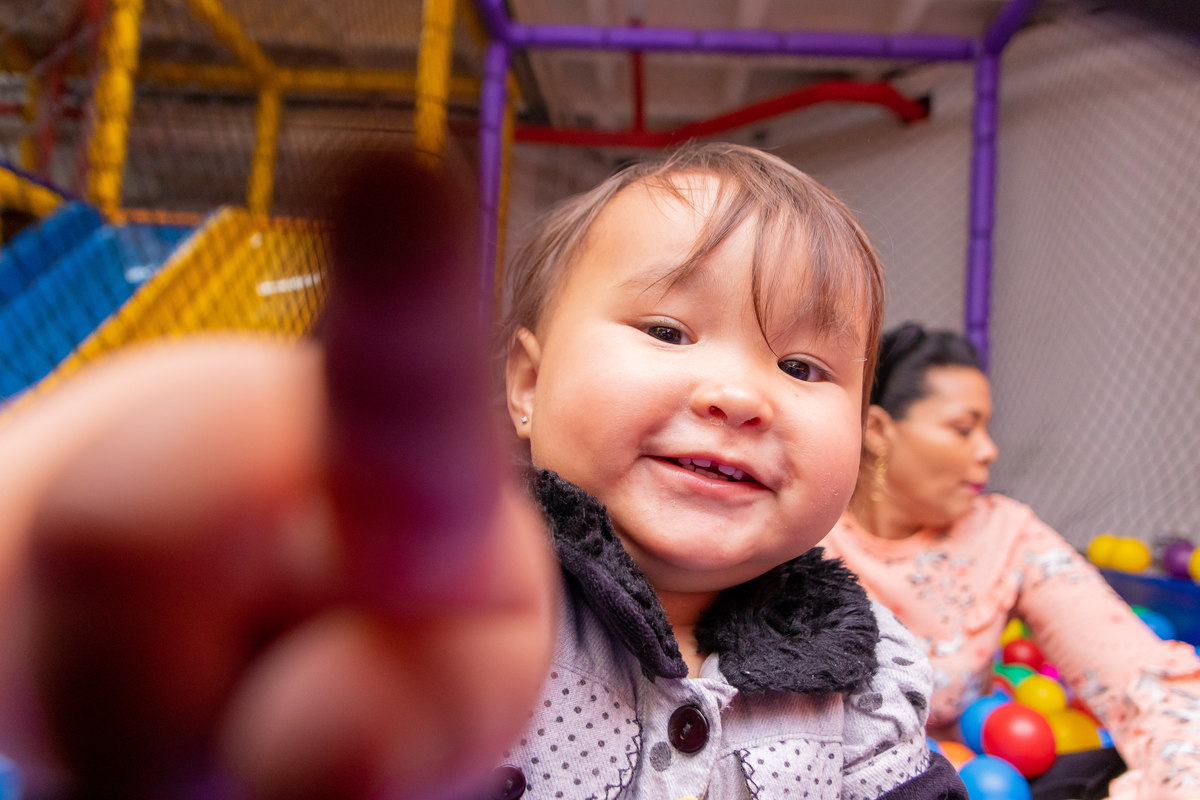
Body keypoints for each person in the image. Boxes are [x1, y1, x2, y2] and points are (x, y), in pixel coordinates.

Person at [0, 144, 967, 800]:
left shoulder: (866, 673)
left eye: (803, 368)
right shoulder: (458, 605)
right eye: (668, 331)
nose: (739, 395)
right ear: (525, 387)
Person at [820, 322, 1200, 799]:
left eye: (986, 429)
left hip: (985, 781)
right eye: (963, 428)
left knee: (1120, 758)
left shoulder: (1005, 533)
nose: (989, 450)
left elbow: (1142, 678)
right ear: (877, 430)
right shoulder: (806, 534)